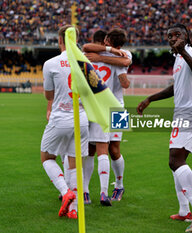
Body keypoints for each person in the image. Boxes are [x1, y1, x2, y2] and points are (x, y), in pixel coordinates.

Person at [136, 24, 192, 232]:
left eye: (177, 35)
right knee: (176, 161)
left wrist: (184, 52)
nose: (172, 38)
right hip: (183, 113)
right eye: (169, 36)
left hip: (191, 113)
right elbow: (175, 87)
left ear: (186, 37)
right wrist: (150, 98)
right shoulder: (178, 59)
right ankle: (184, 210)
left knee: (175, 160)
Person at [40, 25, 89, 219]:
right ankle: (74, 209)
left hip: (60, 118)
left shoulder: (50, 63)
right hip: (82, 120)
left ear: (60, 40)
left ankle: (65, 192)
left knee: (47, 158)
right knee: (74, 162)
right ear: (76, 39)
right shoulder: (85, 62)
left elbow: (48, 95)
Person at [82, 28, 131, 206]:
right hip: (111, 107)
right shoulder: (91, 53)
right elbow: (125, 82)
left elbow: (125, 70)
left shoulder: (122, 55)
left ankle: (119, 185)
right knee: (100, 149)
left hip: (115, 107)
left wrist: (102, 58)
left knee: (113, 149)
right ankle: (104, 189)